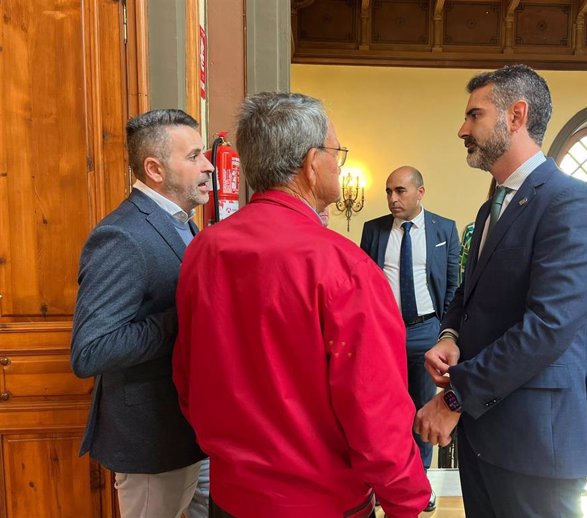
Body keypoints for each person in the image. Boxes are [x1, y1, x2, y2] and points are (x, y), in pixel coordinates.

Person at [172, 92, 430, 518]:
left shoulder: (204, 250)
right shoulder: (344, 267)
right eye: (336, 152)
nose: (338, 163)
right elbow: (375, 408)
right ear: (312, 164)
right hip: (320, 500)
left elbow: (187, 377)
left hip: (233, 496)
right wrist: (406, 501)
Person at [413, 64, 587, 518]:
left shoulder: (572, 202)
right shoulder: (491, 209)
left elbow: (548, 328)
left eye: (475, 115)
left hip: (536, 443)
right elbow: (470, 294)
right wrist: (450, 338)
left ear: (516, 115)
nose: (462, 129)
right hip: (485, 436)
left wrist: (455, 397)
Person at [70, 109, 212, 518]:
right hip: (151, 439)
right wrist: (187, 315)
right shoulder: (121, 235)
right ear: (154, 169)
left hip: (192, 430)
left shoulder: (184, 224)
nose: (207, 167)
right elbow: (91, 351)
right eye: (194, 156)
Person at [360, 165, 459, 512]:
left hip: (425, 332)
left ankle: (420, 482)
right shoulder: (373, 230)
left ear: (420, 192)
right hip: (383, 332)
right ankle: (385, 482)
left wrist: (444, 332)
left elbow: (451, 287)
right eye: (389, 191)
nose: (392, 198)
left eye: (400, 191)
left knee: (422, 410)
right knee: (384, 410)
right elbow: (364, 284)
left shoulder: (444, 229)